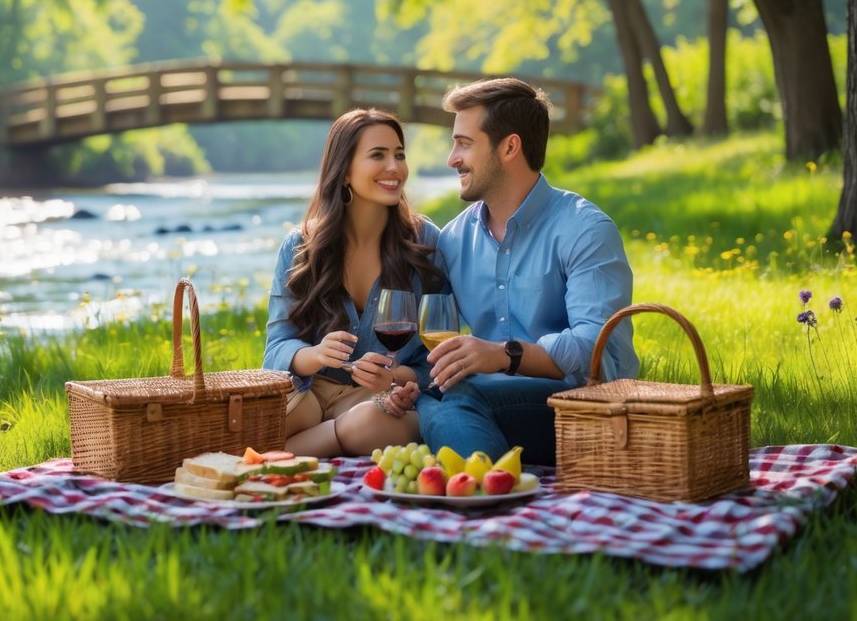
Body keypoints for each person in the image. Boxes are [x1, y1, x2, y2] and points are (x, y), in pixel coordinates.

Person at [416, 77, 639, 466]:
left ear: (509, 147)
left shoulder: (584, 229)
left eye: (464, 143)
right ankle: (495, 473)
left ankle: (486, 488)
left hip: (580, 408)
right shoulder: (453, 240)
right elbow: (435, 339)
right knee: (426, 396)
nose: (452, 158)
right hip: (493, 403)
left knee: (453, 402)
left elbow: (597, 353)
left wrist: (504, 356)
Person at [264, 108, 445, 457]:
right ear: (344, 170)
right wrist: (314, 355)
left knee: (371, 424)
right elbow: (276, 350)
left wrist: (394, 378)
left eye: (399, 154)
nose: (394, 167)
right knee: (262, 415)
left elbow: (437, 359)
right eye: (378, 155)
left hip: (376, 403)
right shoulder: (300, 247)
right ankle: (316, 441)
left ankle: (290, 451)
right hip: (310, 394)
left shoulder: (425, 243)